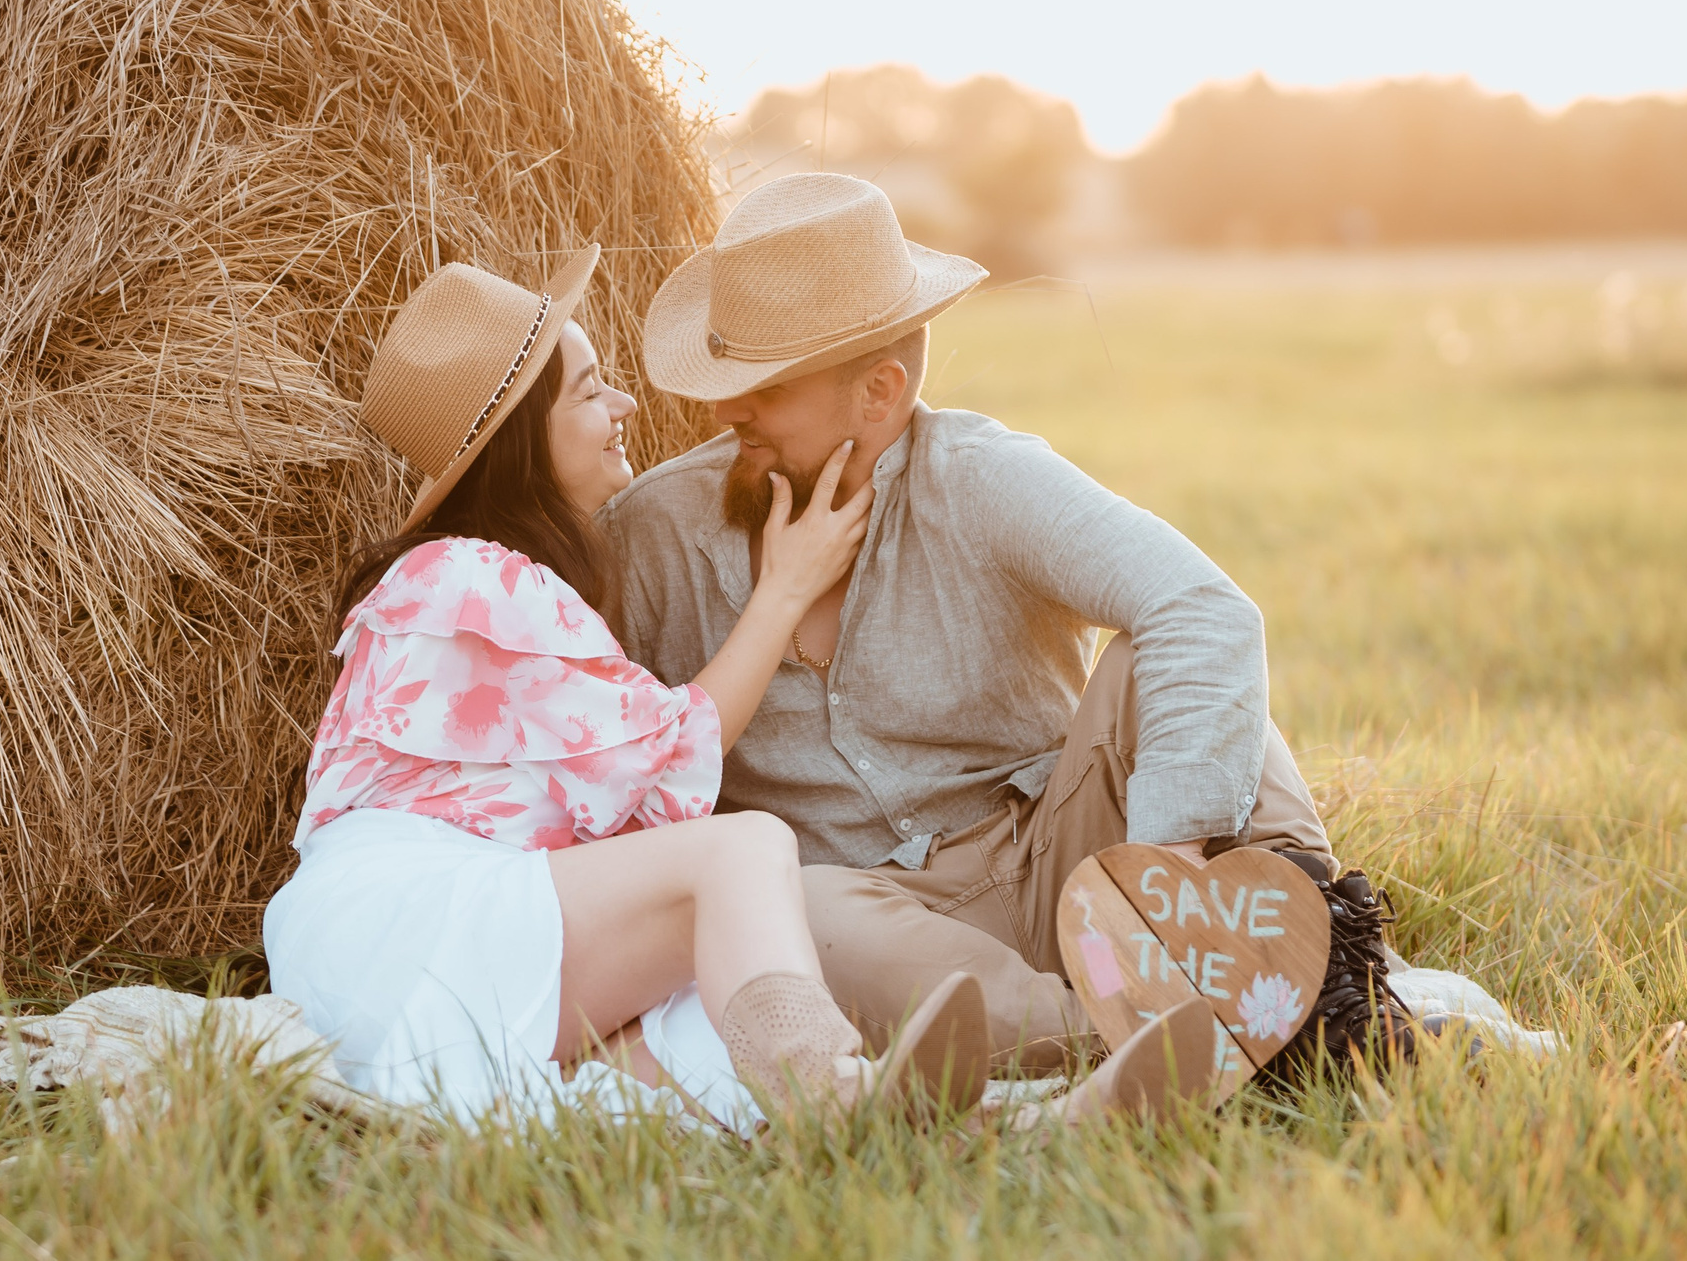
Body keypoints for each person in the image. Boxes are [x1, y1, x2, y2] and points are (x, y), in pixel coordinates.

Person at [264, 246, 1217, 1127]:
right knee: (748, 854)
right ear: (524, 441)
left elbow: (1198, 609)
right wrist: (786, 591)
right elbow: (675, 759)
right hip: (419, 914)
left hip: (473, 924)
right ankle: (844, 1094)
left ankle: (1029, 1120)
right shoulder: (471, 577)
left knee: (718, 1055)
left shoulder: (518, 586)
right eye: (593, 392)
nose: (633, 406)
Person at [600, 173, 1414, 1079]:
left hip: (1064, 845)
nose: (725, 412)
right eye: (727, 380)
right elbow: (603, 757)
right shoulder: (653, 535)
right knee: (794, 900)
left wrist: (1163, 866)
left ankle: (1333, 977)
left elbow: (1202, 605)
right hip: (878, 920)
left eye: (767, 388)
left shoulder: (982, 478)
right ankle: (1158, 1038)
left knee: (1177, 676)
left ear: (880, 392)